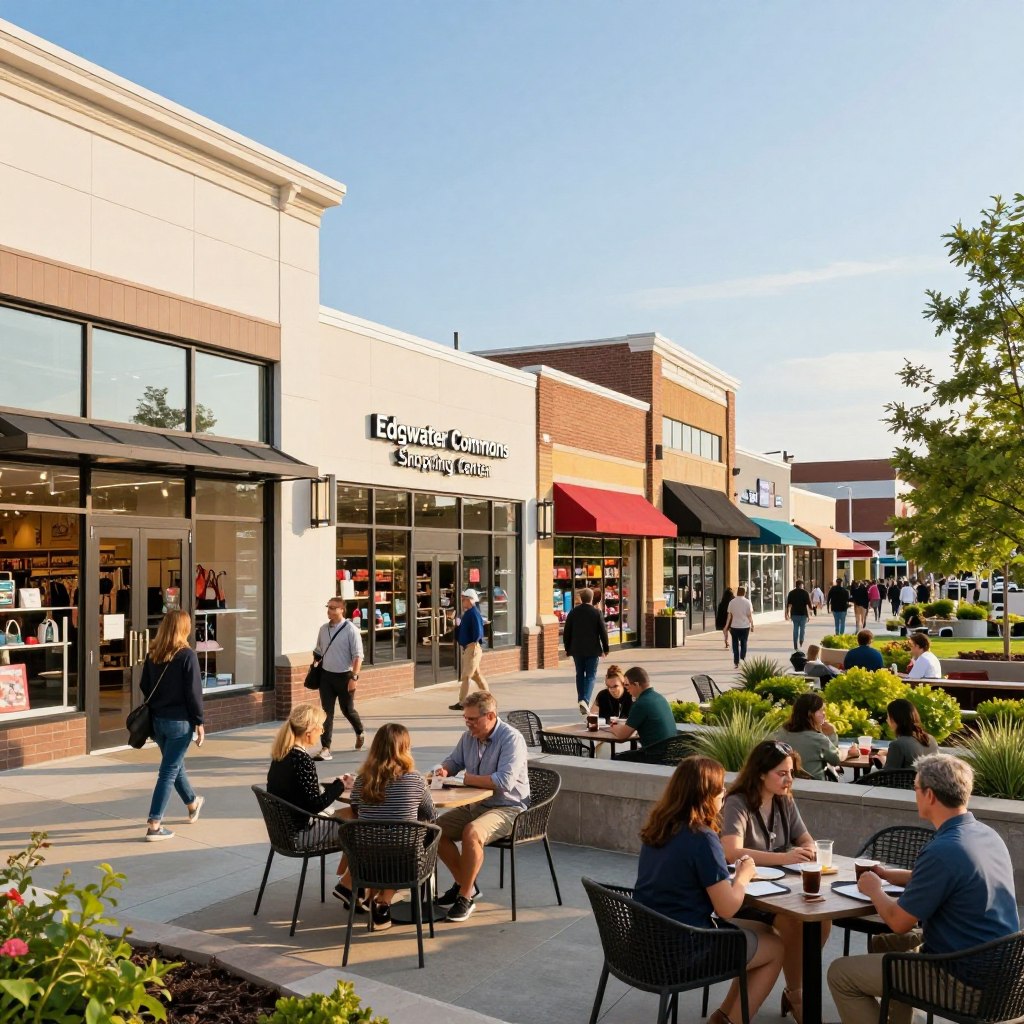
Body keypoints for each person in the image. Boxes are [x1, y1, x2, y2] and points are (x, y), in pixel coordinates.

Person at [827, 754, 1019, 1024]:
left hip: (964, 983)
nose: (914, 794)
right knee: (884, 944)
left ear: (929, 795)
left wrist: (874, 889)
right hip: (1004, 974)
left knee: (841, 974)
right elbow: (949, 877)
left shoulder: (942, 850)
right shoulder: (986, 835)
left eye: (915, 788)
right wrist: (889, 876)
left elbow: (899, 922)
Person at [634, 756, 785, 1024]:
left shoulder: (657, 829)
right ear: (706, 795)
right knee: (775, 947)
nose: (724, 794)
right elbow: (726, 907)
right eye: (720, 789)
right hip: (682, 951)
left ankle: (723, 1016)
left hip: (644, 946)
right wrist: (743, 876)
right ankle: (732, 1020)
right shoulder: (702, 837)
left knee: (762, 931)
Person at [722, 740, 828, 1020]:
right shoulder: (738, 802)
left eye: (791, 772)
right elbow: (731, 852)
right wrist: (786, 857)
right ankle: (796, 995)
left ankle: (795, 989)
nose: (789, 779)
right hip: (745, 893)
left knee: (821, 920)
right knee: (794, 922)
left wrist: (807, 849)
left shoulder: (785, 800)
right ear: (760, 773)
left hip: (778, 889)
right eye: (782, 773)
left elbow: (805, 840)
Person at [433, 691, 529, 923]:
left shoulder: (512, 739)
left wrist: (466, 779)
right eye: (465, 718)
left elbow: (504, 782)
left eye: (473, 719)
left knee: (472, 832)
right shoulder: (469, 737)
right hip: (477, 804)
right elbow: (454, 761)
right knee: (434, 830)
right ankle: (467, 884)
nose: (468, 723)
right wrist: (444, 770)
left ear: (491, 716)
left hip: (509, 807)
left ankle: (465, 896)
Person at [336, 722, 436, 929]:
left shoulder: (363, 780)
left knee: (377, 840)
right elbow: (430, 814)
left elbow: (355, 808)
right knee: (414, 839)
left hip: (365, 861)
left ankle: (356, 888)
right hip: (406, 864)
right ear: (405, 748)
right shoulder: (416, 780)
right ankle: (383, 902)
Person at [141, 610, 205, 842]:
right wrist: (199, 722)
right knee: (168, 771)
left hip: (158, 722)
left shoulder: (154, 653)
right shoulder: (186, 655)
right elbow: (194, 693)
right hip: (180, 723)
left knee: (174, 765)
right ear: (184, 628)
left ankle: (192, 803)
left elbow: (144, 685)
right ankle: (154, 824)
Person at [268, 702, 351, 830]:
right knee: (353, 826)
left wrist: (336, 784)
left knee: (346, 814)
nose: (322, 732)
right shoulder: (302, 761)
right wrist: (340, 785)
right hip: (300, 834)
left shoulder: (281, 755)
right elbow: (316, 805)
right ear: (309, 732)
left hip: (282, 830)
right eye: (321, 728)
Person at [312, 597, 364, 760]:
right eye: (329, 607)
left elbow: (358, 656)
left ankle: (359, 731)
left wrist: (354, 677)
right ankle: (326, 748)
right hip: (326, 677)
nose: (330, 611)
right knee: (326, 713)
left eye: (334, 608)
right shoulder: (323, 629)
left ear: (342, 610)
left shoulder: (351, 630)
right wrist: (315, 664)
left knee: (347, 709)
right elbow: (319, 650)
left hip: (345, 676)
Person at [773, 692, 857, 781]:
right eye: (821, 710)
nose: (824, 714)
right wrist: (849, 753)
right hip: (814, 788)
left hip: (787, 784)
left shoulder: (781, 732)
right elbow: (835, 759)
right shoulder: (817, 739)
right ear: (810, 714)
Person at [608, 666, 678, 761]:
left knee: (616, 759)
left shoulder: (641, 703)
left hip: (655, 755)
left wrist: (612, 726)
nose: (626, 689)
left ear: (636, 684)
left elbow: (622, 736)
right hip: (671, 753)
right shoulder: (660, 698)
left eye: (627, 685)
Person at [562, 587, 609, 716]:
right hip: (593, 650)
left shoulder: (573, 612)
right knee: (590, 676)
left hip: (577, 650)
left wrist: (567, 648)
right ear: (592, 598)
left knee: (579, 674)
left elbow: (567, 632)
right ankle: (585, 700)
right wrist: (606, 649)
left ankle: (581, 699)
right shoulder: (596, 613)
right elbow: (603, 633)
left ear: (581, 599)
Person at [449, 588, 489, 711]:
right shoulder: (469, 613)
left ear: (470, 600)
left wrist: (472, 643)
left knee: (466, 676)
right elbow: (463, 630)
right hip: (470, 648)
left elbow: (478, 631)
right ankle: (488, 697)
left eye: (464, 599)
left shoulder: (473, 613)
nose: (462, 601)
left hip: (472, 648)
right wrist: (457, 626)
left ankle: (462, 703)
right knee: (476, 675)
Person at [881, 698, 939, 770]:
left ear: (893, 719)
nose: (887, 720)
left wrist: (883, 761)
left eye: (888, 716)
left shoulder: (897, 744)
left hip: (906, 781)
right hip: (928, 780)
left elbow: (888, 775)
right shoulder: (931, 739)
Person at [725, 585, 755, 667]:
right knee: (744, 642)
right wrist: (752, 624)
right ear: (744, 592)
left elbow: (729, 616)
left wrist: (726, 626)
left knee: (735, 644)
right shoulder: (747, 602)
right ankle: (743, 657)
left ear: (737, 592)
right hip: (744, 626)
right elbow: (749, 615)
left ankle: (736, 661)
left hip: (734, 626)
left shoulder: (732, 602)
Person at [785, 579, 812, 650]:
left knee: (795, 629)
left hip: (794, 614)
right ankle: (801, 640)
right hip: (803, 614)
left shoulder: (791, 593)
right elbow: (809, 605)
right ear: (801, 585)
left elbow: (788, 605)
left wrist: (787, 613)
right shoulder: (805, 593)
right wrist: (811, 611)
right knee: (802, 628)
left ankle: (795, 644)